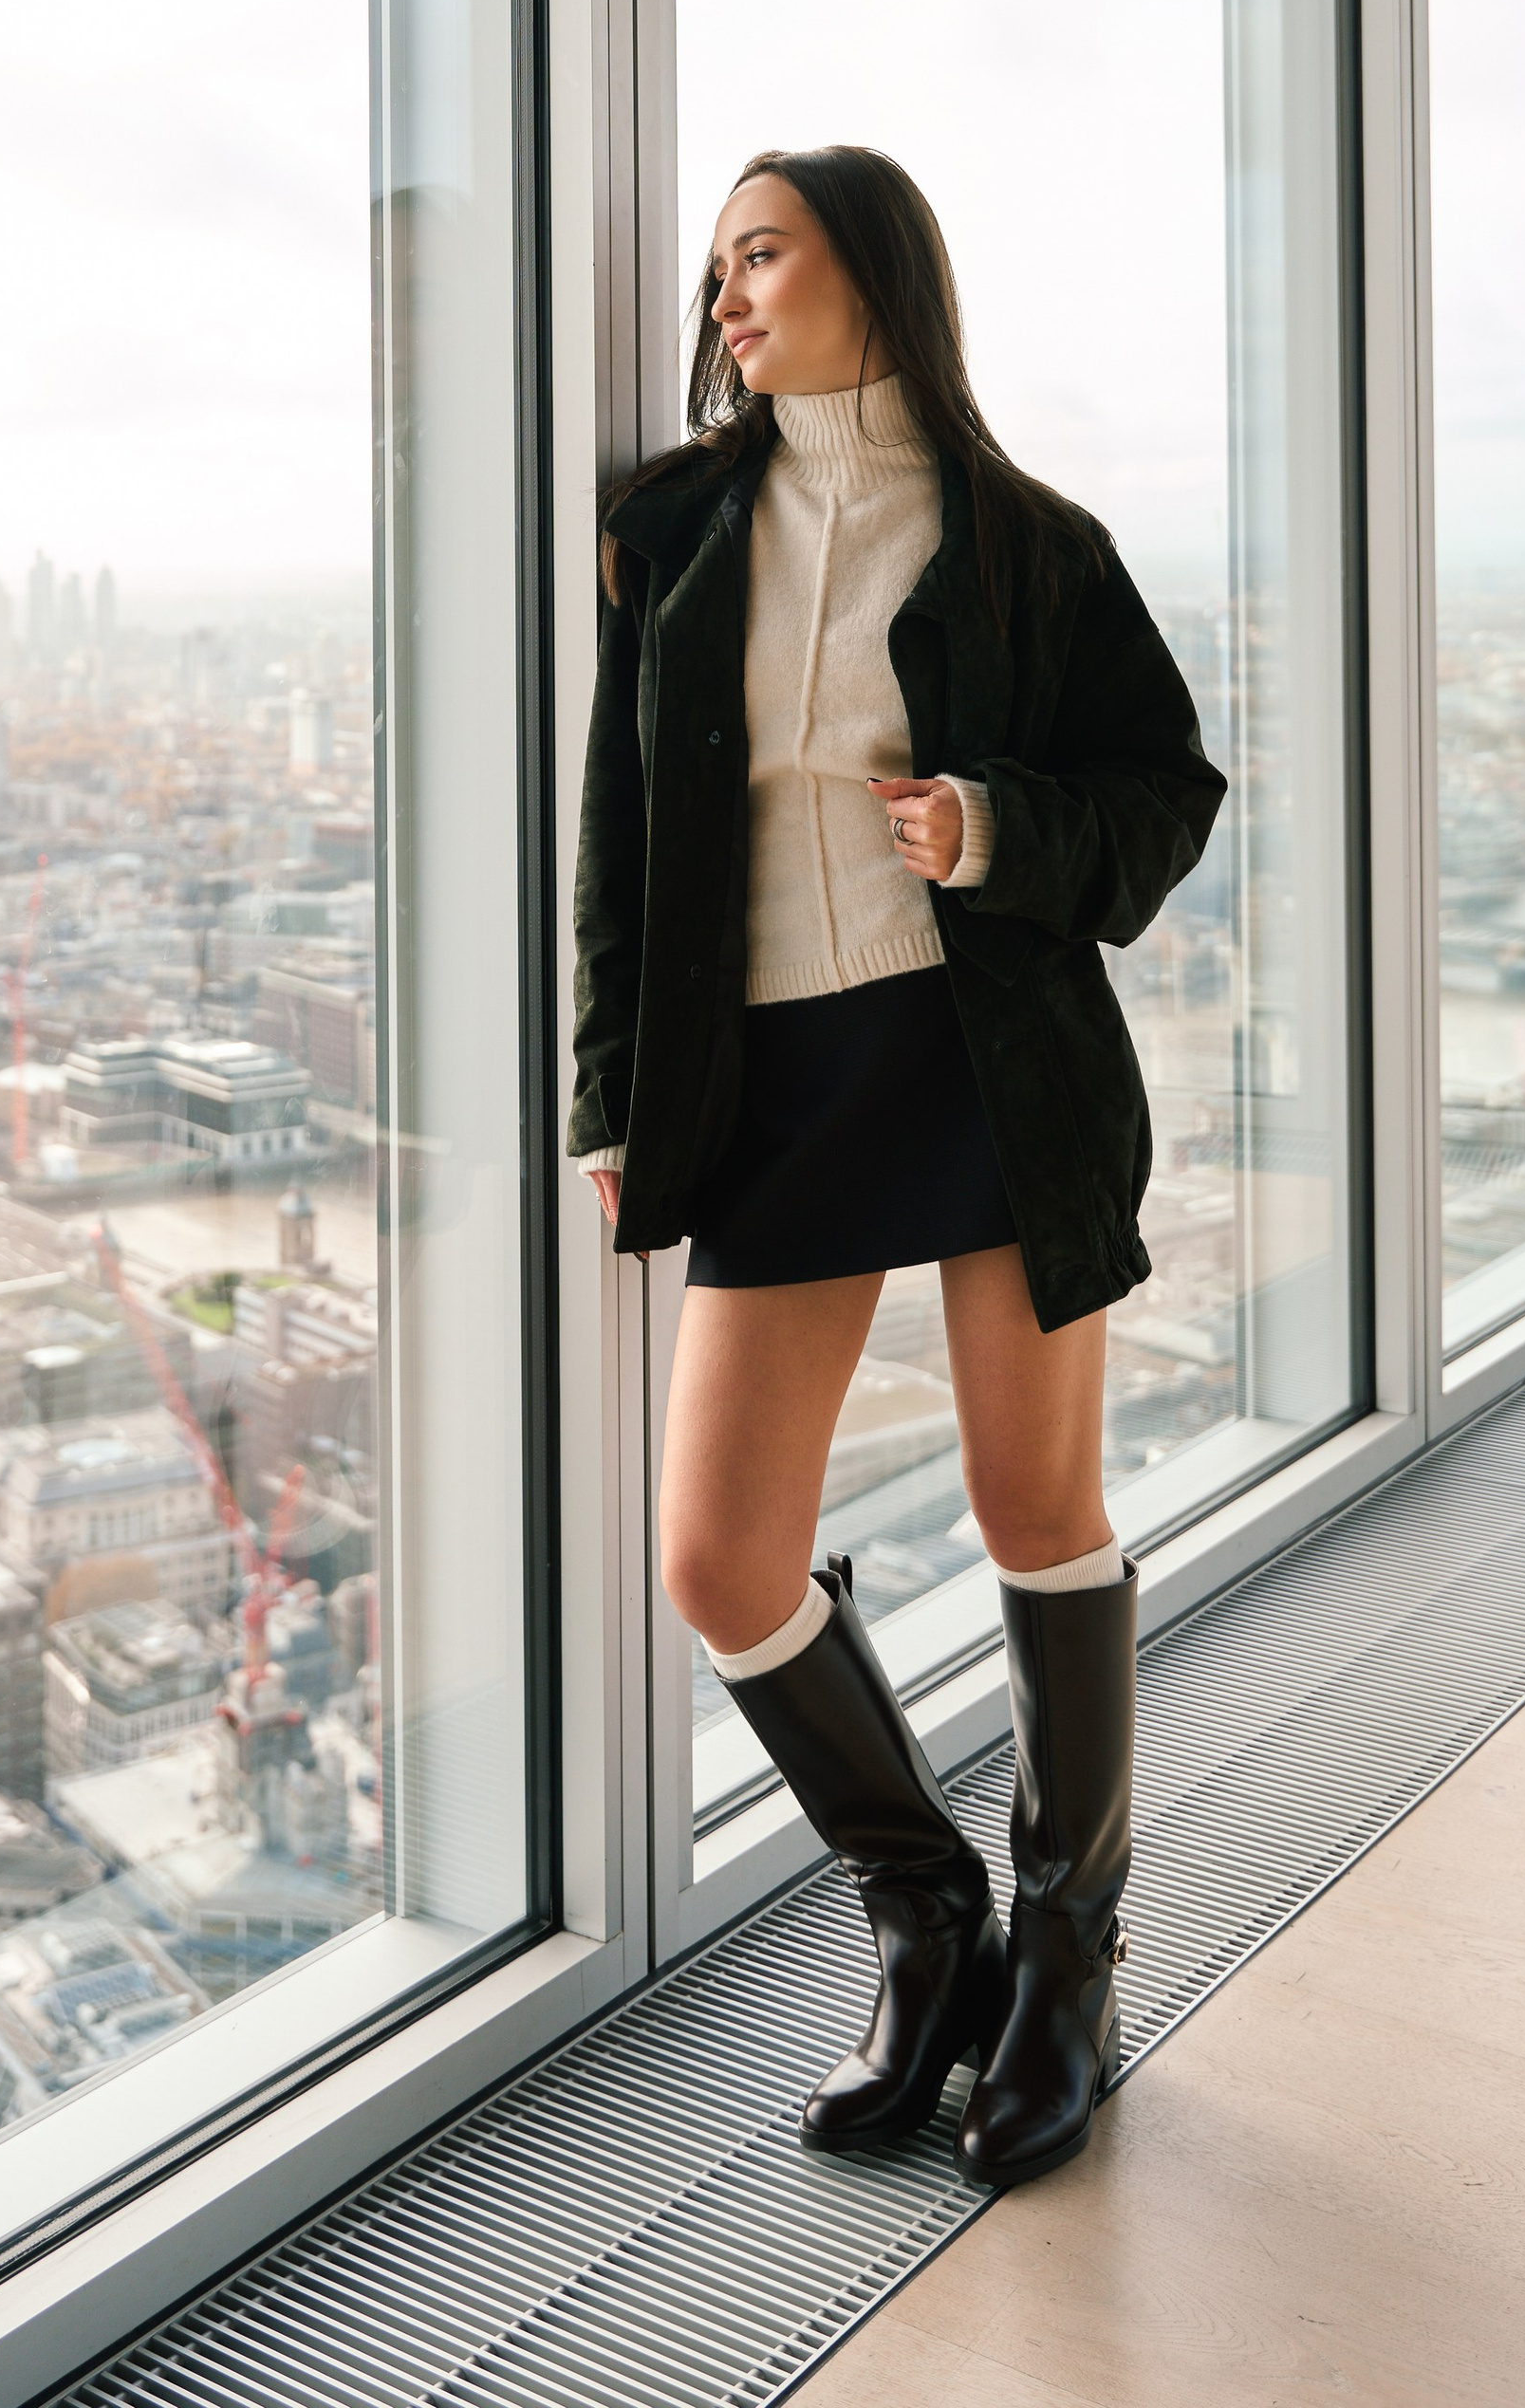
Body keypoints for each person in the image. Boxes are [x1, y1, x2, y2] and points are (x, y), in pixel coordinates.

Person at [571, 144, 1224, 2188]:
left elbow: (1161, 794)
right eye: (713, 272)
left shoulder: (1035, 546)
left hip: (987, 1061)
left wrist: (992, 829)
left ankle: (1070, 1956)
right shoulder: (668, 530)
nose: (726, 299)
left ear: (871, 269)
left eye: (758, 254)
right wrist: (609, 1096)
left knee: (1033, 1502)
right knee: (717, 1561)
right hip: (764, 1079)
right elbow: (622, 840)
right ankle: (919, 1902)